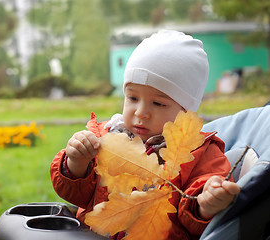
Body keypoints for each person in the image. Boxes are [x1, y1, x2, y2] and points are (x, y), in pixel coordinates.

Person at [50, 30, 240, 239]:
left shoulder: (199, 154)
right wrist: (77, 162)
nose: (141, 112)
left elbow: (195, 221)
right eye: (132, 98)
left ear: (187, 111)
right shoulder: (106, 138)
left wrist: (206, 202)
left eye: (158, 103)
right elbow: (79, 196)